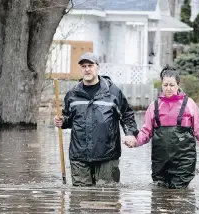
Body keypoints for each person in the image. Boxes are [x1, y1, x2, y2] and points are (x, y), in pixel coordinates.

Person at [127, 65, 199, 189]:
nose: (168, 88)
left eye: (172, 85)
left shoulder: (189, 105)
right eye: (165, 85)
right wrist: (134, 141)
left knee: (179, 194)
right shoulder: (153, 107)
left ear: (178, 85)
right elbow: (145, 132)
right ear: (162, 85)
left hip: (184, 161)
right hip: (160, 162)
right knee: (160, 195)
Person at [54, 52, 139, 186]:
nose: (87, 69)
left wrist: (130, 134)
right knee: (80, 199)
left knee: (107, 199)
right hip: (79, 155)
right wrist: (62, 121)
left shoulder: (113, 92)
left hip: (107, 155)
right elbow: (69, 119)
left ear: (97, 67)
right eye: (83, 66)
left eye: (90, 65)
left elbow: (127, 115)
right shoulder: (72, 94)